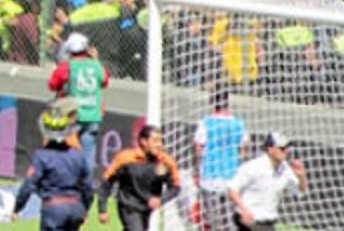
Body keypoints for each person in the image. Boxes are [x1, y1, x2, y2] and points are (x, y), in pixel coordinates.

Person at [11, 105, 93, 229]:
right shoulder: (78, 156)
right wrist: (85, 209)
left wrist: (18, 207)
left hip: (54, 209)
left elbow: (29, 185)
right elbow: (87, 187)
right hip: (76, 208)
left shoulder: (42, 156)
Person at [98, 125, 181, 230]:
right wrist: (102, 209)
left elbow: (175, 187)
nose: (159, 144)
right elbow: (107, 181)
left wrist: (161, 199)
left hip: (146, 209)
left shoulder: (166, 162)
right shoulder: (125, 158)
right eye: (155, 141)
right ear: (143, 141)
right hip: (128, 205)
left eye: (161, 141)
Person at [48, 32, 109, 174]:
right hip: (92, 115)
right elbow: (104, 81)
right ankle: (86, 183)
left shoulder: (67, 66)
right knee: (88, 154)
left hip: (72, 116)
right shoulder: (96, 66)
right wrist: (96, 60)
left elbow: (52, 85)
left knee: (65, 150)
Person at [227, 132, 309, 231]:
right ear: (270, 149)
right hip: (250, 220)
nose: (286, 151)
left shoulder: (285, 169)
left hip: (268, 222)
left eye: (287, 148)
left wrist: (301, 176)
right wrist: (244, 210)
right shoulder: (254, 167)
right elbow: (232, 190)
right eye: (282, 148)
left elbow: (300, 191)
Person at [194, 88, 249, 230]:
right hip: (231, 175)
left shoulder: (206, 123)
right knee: (230, 219)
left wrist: (197, 170)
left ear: (212, 103)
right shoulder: (239, 124)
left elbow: (199, 149)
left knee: (213, 219)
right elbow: (242, 151)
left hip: (210, 175)